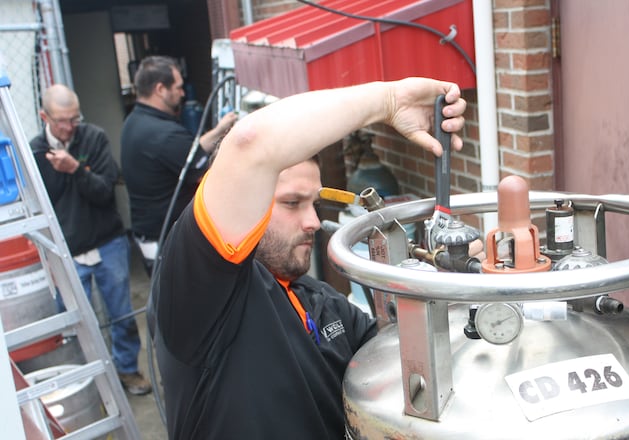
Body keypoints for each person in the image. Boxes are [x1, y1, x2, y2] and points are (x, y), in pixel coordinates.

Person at [150, 78, 466, 438]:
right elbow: (250, 144)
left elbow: (397, 356)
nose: (314, 222)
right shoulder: (201, 295)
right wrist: (389, 101)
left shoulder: (318, 300)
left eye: (313, 204)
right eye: (291, 203)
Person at [30, 84, 152, 395]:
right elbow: (46, 201)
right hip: (68, 249)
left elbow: (102, 190)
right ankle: (87, 380)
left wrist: (75, 168)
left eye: (74, 118)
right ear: (45, 116)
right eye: (62, 121)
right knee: (73, 321)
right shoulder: (34, 151)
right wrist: (63, 171)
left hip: (106, 240)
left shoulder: (93, 138)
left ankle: (126, 371)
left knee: (121, 313)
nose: (70, 127)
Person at [120, 55, 237, 275]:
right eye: (178, 87)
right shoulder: (164, 134)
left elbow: (188, 153)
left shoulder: (135, 122)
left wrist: (220, 129)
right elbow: (209, 177)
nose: (183, 93)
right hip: (168, 242)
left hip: (149, 236)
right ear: (160, 89)